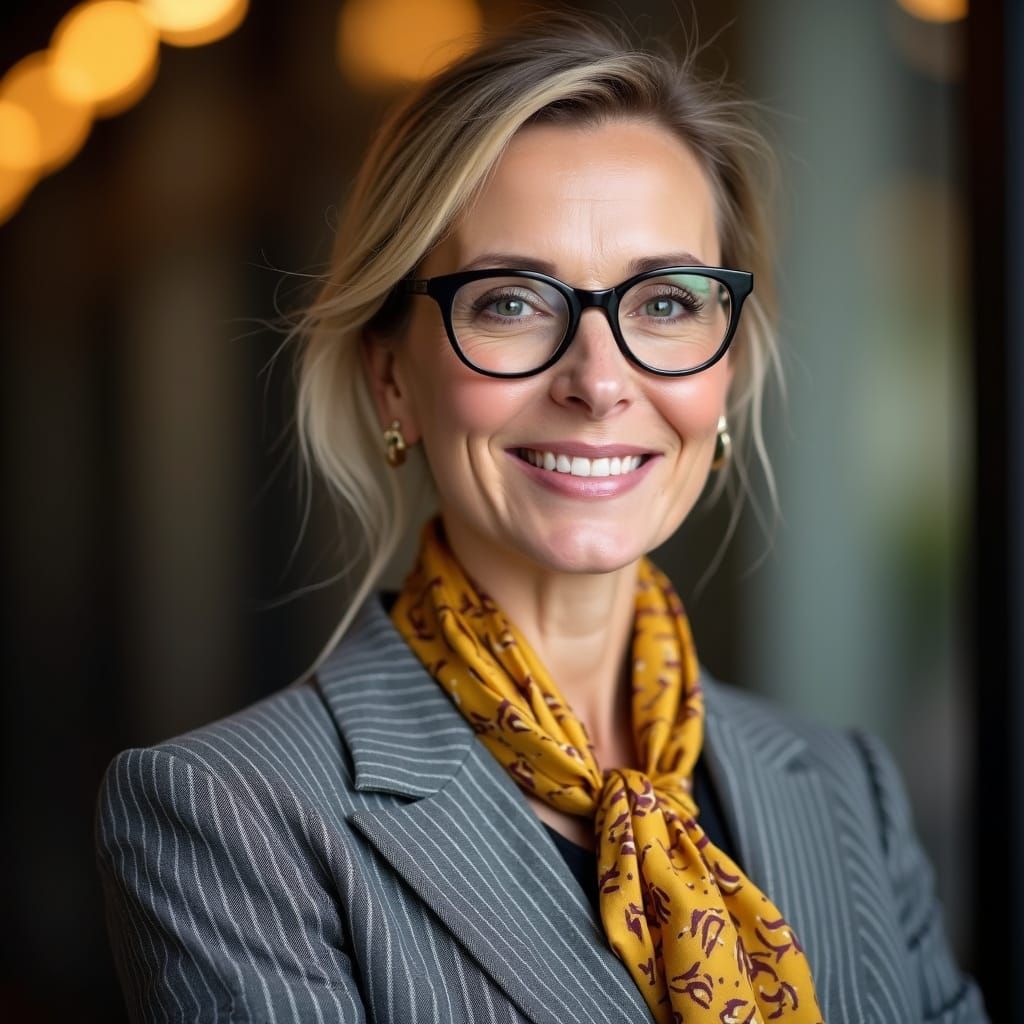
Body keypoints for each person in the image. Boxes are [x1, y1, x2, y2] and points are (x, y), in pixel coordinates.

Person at [94, 18, 987, 1024]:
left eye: (666, 302)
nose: (599, 382)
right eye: (512, 302)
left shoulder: (844, 786)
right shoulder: (229, 817)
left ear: (726, 372)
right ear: (392, 378)